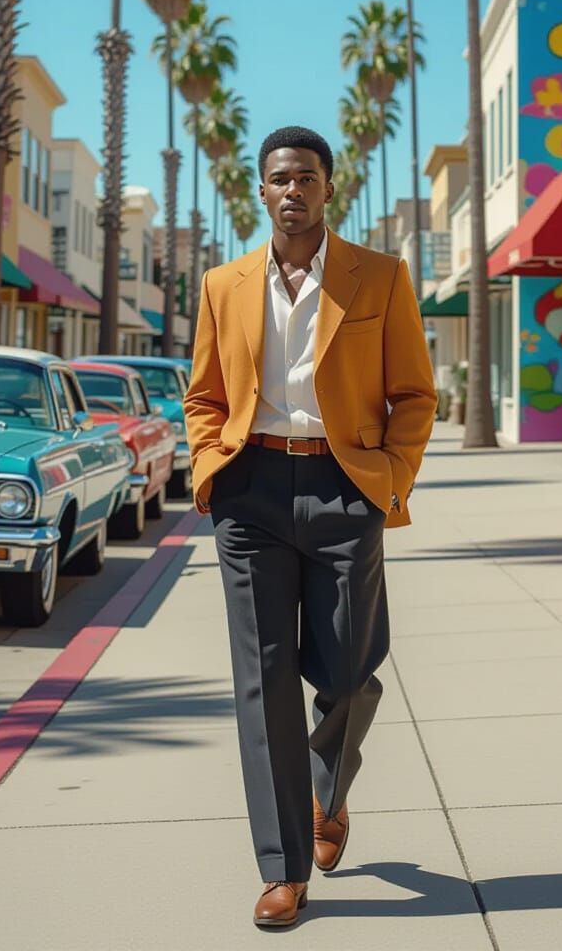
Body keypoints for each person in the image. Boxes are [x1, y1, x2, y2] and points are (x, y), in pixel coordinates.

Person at [184, 125, 437, 929]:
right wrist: (209, 468)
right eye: (279, 178)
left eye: (305, 177)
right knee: (263, 684)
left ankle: (330, 786)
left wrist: (389, 478)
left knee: (351, 668)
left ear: (330, 187)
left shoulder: (381, 276)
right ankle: (283, 867)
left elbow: (415, 395)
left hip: (343, 486)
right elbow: (204, 395)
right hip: (250, 491)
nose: (292, 189)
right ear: (261, 190)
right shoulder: (223, 284)